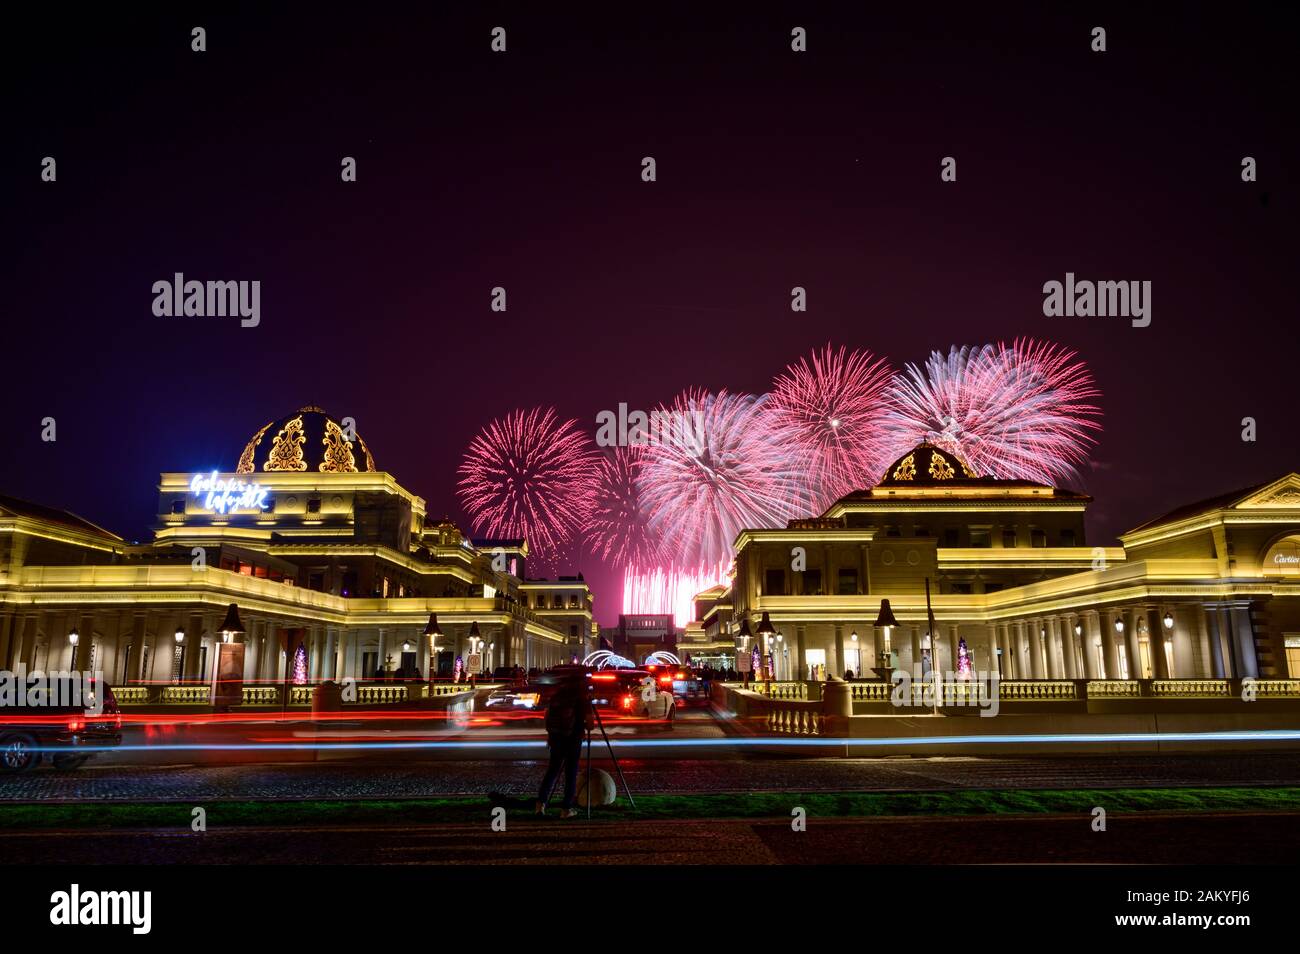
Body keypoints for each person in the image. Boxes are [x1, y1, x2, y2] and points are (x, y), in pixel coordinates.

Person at [536, 671, 592, 818]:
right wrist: (585, 724)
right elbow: (591, 724)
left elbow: (547, 716)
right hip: (573, 739)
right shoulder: (581, 698)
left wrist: (551, 735)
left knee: (552, 771)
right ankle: (566, 809)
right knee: (571, 774)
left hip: (556, 737)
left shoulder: (557, 696)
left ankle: (540, 805)